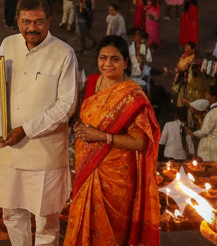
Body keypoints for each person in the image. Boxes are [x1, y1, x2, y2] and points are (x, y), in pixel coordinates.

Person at [0, 0, 78, 246]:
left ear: (49, 21)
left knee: (46, 222)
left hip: (44, 155)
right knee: (12, 214)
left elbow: (66, 106)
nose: (32, 27)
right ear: (17, 21)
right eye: (26, 21)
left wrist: (26, 130)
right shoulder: (7, 45)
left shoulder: (63, 53)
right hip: (7, 151)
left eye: (39, 21)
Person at [64, 34, 160, 246]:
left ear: (126, 63)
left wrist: (101, 137)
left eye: (114, 59)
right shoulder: (92, 82)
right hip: (87, 167)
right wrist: (82, 129)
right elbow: (88, 118)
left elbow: (140, 143)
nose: (107, 64)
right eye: (103, 58)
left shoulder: (133, 96)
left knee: (112, 235)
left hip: (117, 176)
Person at [192, 85, 217, 161]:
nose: (208, 98)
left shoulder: (213, 112)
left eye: (208, 95)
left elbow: (204, 131)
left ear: (215, 96)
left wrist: (193, 134)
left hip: (210, 153)